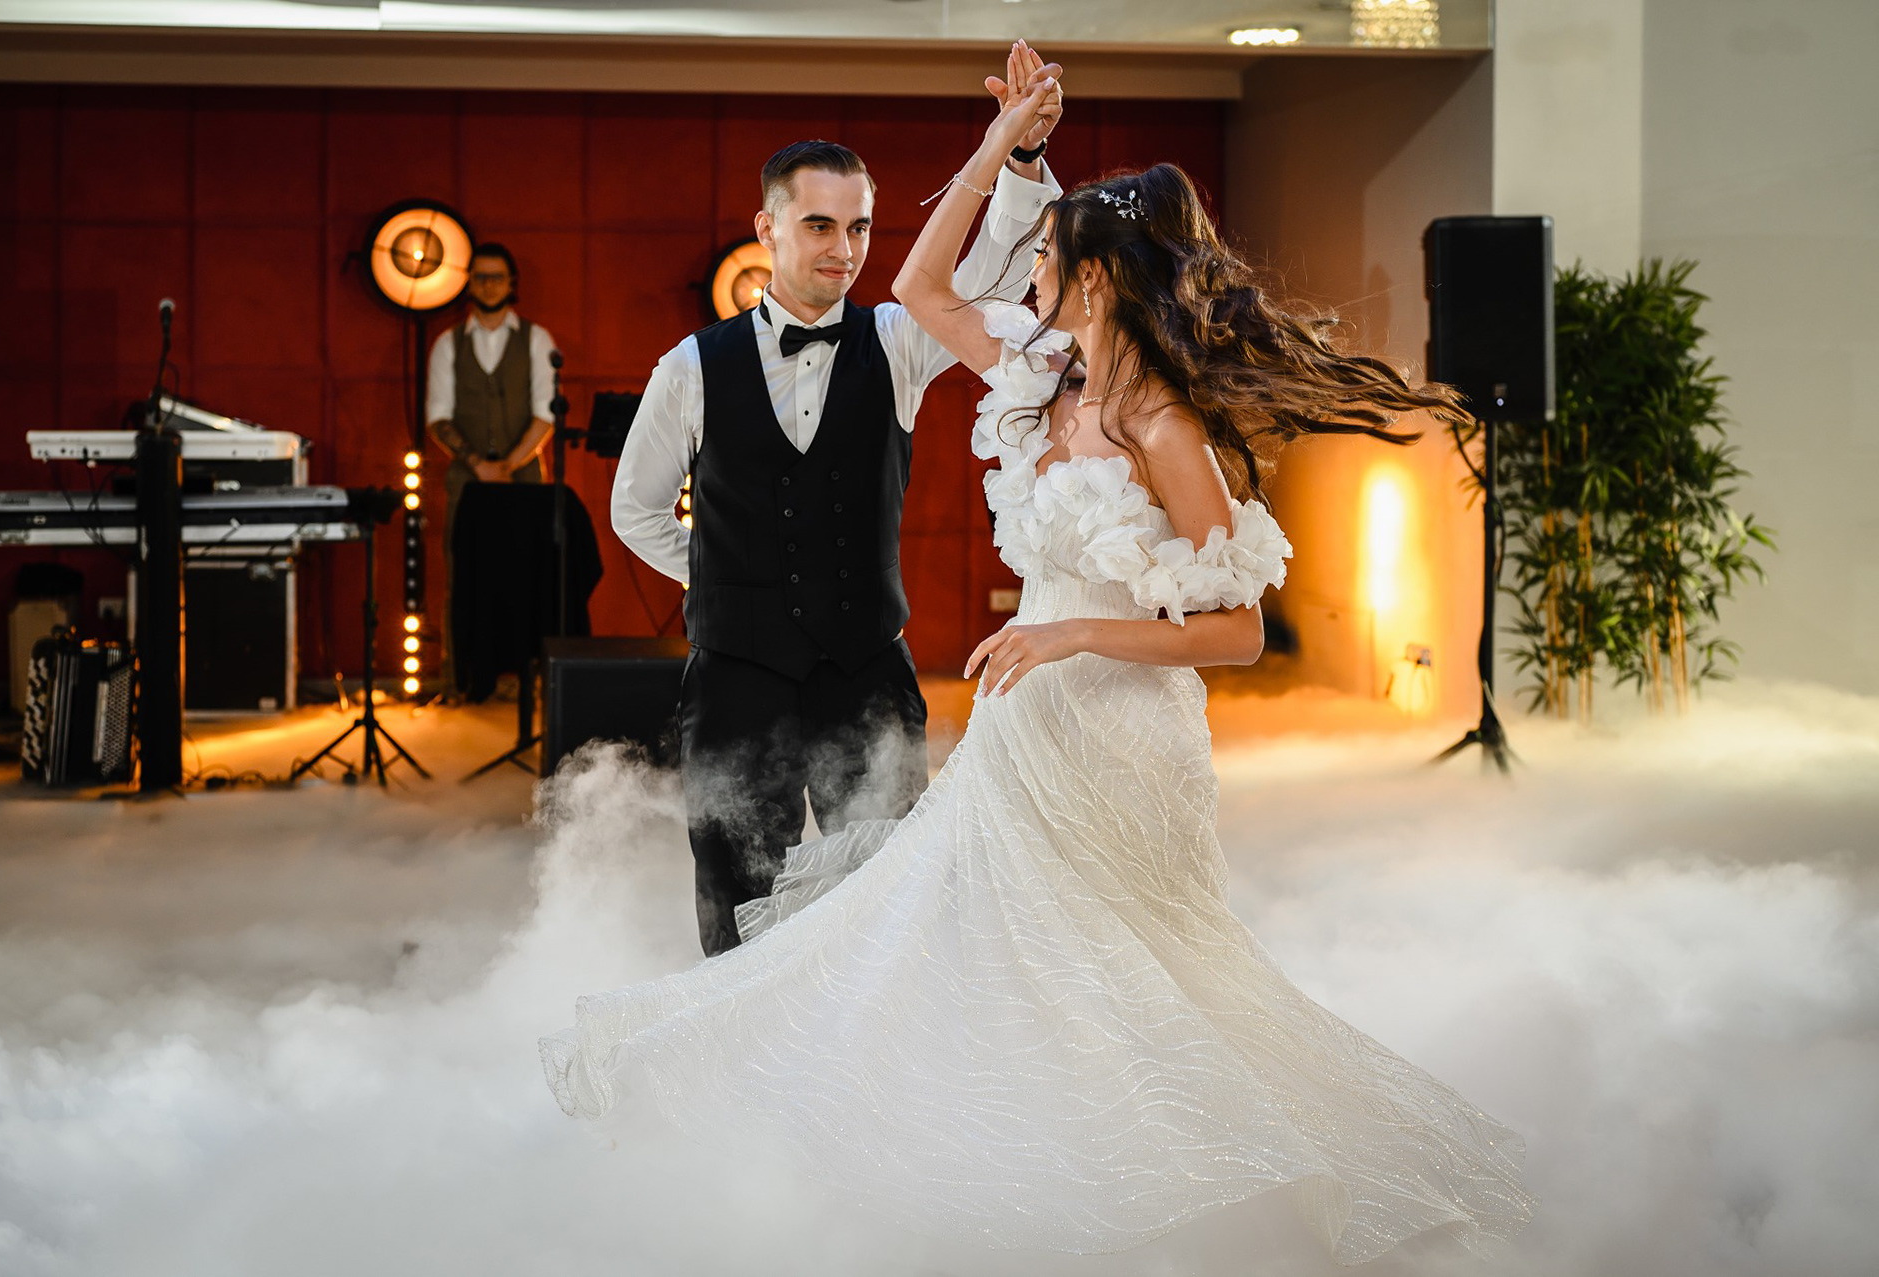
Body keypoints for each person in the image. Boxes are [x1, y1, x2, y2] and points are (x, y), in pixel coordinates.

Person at [545, 46, 1534, 1264]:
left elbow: (1237, 629)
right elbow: (927, 280)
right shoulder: (1039, 380)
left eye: (1048, 255)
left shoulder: (1163, 422)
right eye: (823, 226)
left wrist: (1066, 629)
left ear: (1094, 277)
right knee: (961, 948)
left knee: (1125, 965)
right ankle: (878, 1155)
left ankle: (1161, 1184)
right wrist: (1000, 140)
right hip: (1018, 725)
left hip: (1118, 729)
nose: (1027, 269)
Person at [609, 53, 1065, 956]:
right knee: (738, 904)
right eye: (819, 224)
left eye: (858, 227)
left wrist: (1018, 156)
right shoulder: (690, 366)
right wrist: (728, 583)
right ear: (767, 227)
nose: (843, 249)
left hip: (868, 673)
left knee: (890, 900)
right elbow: (638, 511)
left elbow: (985, 279)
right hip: (735, 679)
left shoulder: (898, 341)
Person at [425, 242, 557, 695]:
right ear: (469, 283)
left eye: (496, 277)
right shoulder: (448, 343)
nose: (488, 285)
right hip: (467, 479)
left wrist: (510, 464)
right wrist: (479, 465)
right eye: (480, 277)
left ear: (511, 282)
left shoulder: (536, 339)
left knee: (528, 575)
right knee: (463, 575)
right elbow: (438, 417)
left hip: (524, 478)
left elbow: (546, 413)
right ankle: (459, 679)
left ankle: (528, 681)